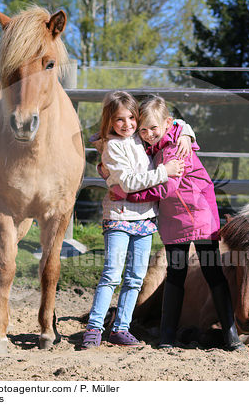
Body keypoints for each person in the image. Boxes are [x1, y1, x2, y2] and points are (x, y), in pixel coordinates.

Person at [109, 95, 244, 351]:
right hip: (174, 221)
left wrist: (128, 194)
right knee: (175, 274)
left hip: (199, 215)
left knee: (211, 270)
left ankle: (230, 334)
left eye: (154, 129)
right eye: (144, 129)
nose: (148, 134)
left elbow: (165, 190)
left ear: (167, 124)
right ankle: (168, 335)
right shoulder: (154, 146)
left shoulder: (174, 151)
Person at [81, 91, 194, 349]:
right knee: (111, 274)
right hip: (120, 217)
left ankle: (121, 327)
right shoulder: (112, 147)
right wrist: (164, 172)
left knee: (135, 277)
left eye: (132, 118)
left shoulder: (139, 137)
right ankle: (94, 327)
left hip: (145, 220)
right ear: (109, 121)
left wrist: (187, 133)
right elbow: (129, 182)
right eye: (119, 119)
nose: (127, 124)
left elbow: (172, 123)